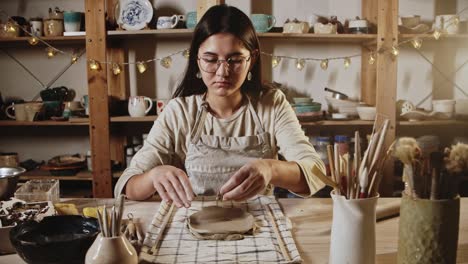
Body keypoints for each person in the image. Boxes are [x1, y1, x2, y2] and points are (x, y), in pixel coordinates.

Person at [114, 4, 326, 207]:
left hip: (259, 224)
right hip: (196, 223)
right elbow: (127, 185)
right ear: (197, 60)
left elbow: (315, 173)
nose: (222, 72)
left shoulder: (272, 104)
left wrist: (270, 169)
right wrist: (153, 176)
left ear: (251, 60)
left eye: (234, 60)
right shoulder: (179, 111)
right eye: (211, 59)